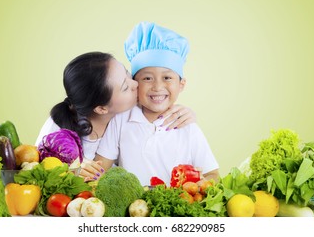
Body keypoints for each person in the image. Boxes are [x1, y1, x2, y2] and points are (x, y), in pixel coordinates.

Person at [87, 22, 220, 186]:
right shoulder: (120, 120)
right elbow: (100, 169)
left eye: (167, 78)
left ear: (181, 85)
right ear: (135, 83)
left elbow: (212, 174)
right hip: (132, 208)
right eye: (147, 78)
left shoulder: (187, 126)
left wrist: (198, 186)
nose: (157, 87)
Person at [35, 51, 196, 173]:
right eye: (125, 87)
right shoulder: (57, 131)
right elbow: (35, 173)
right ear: (101, 108)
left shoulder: (129, 111)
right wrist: (69, 172)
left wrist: (186, 113)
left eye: (127, 74)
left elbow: (160, 103)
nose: (135, 84)